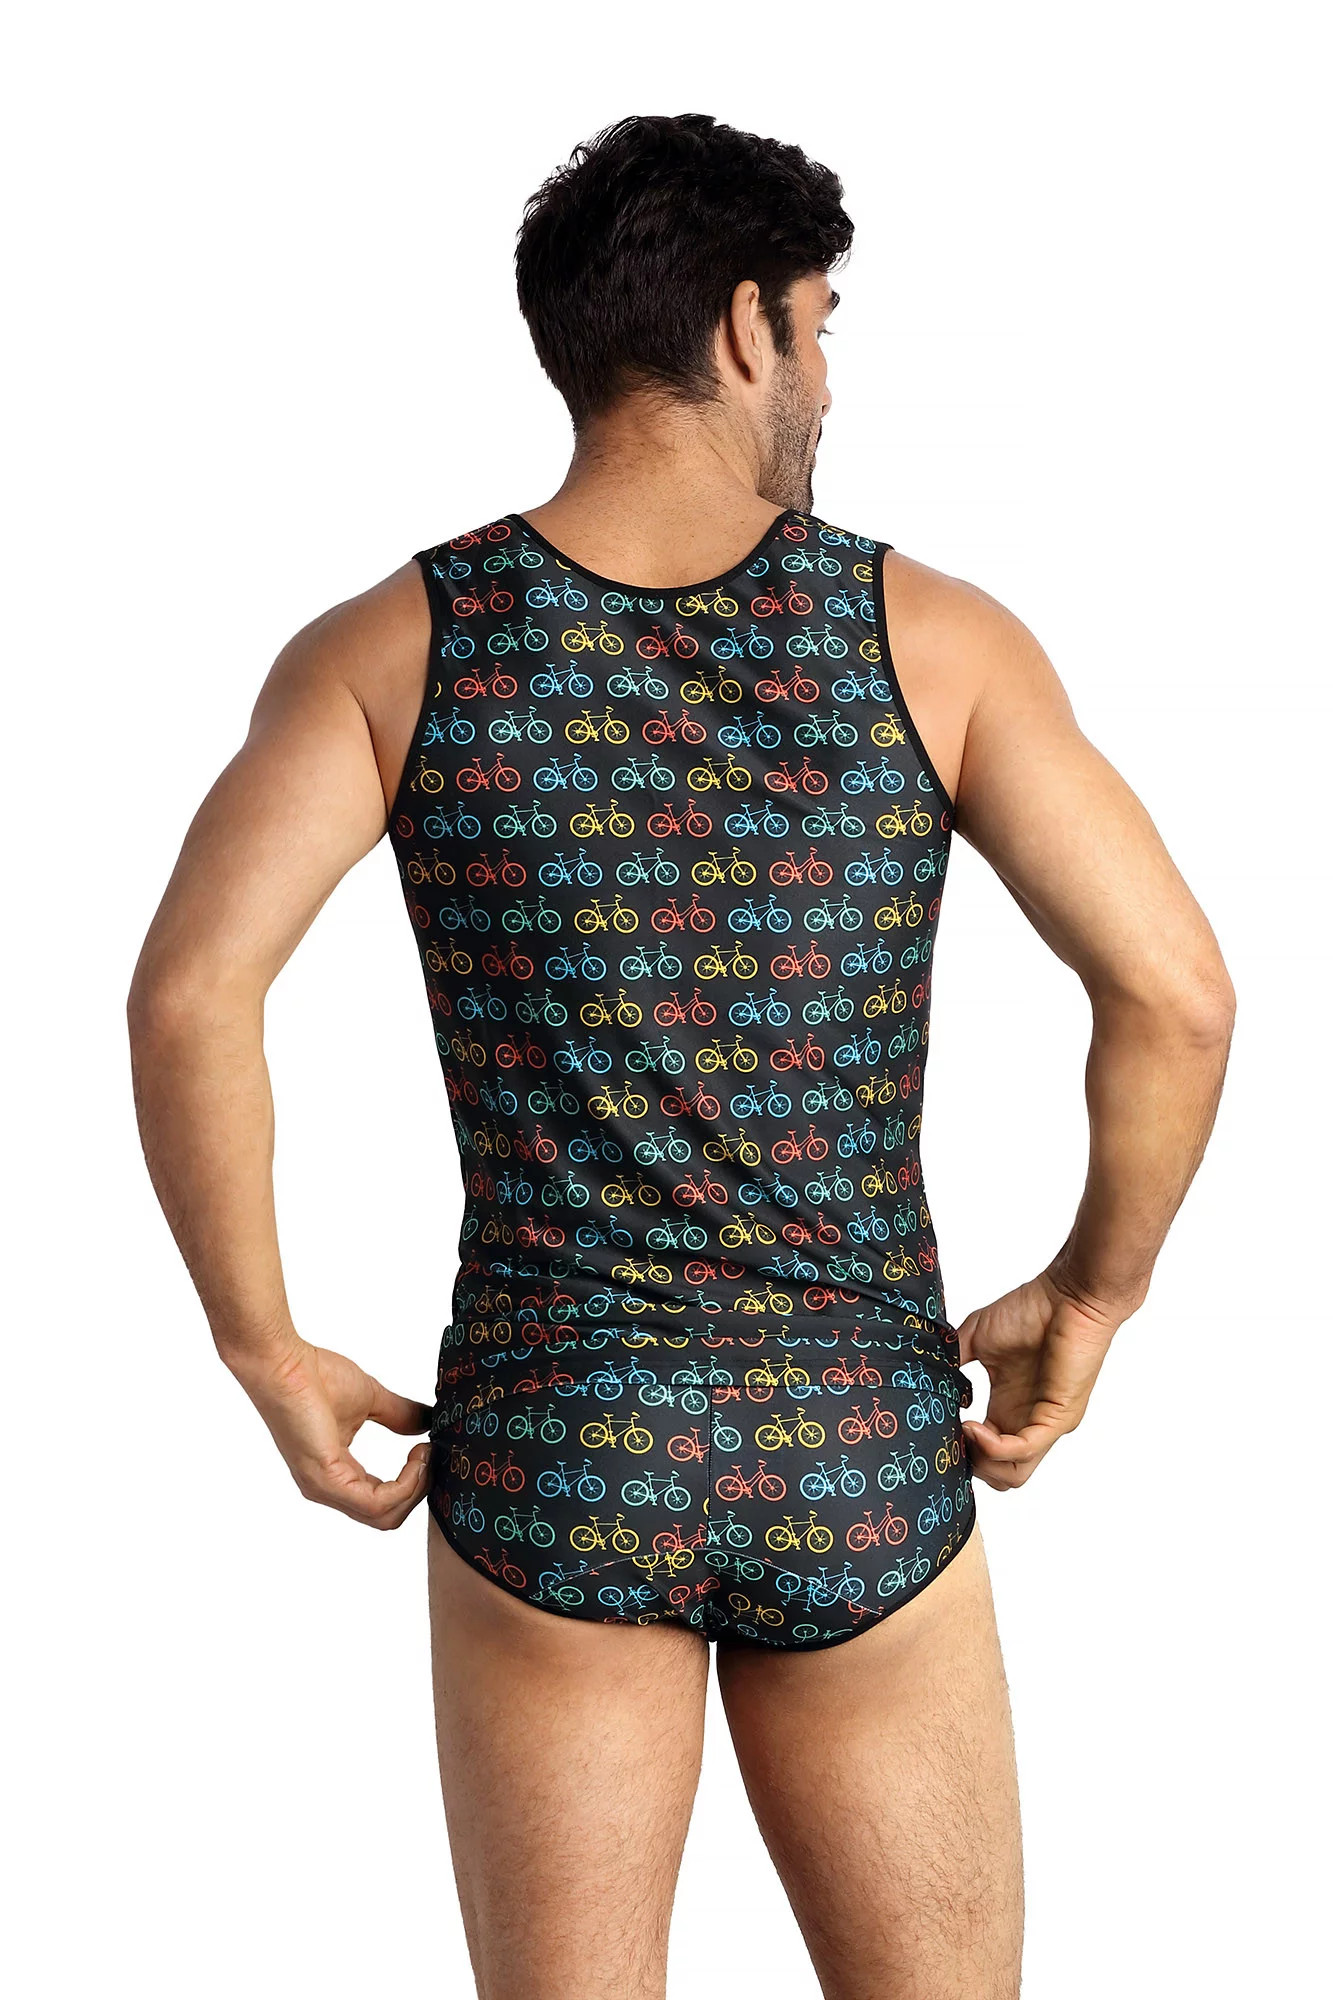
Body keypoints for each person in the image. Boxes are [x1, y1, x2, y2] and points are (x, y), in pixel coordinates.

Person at [127, 112, 1235, 2000]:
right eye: (822, 323)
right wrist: (1090, 1295)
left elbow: (188, 994)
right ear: (744, 328)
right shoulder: (932, 639)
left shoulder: (391, 649)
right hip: (855, 1436)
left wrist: (262, 1343)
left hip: (558, 1440)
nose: (828, 375)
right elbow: (1175, 995)